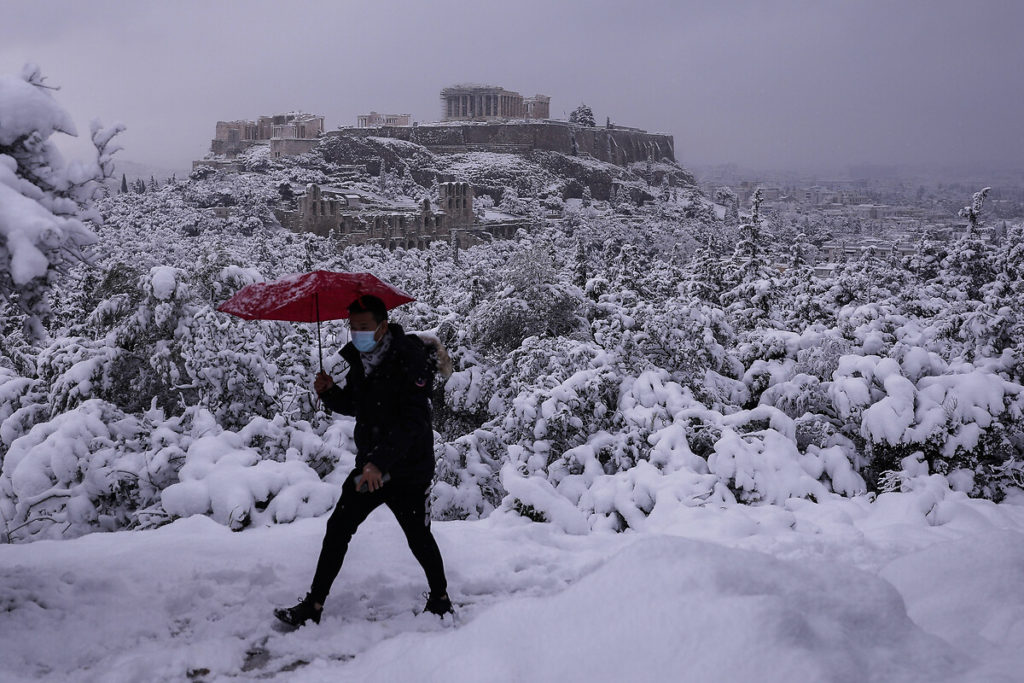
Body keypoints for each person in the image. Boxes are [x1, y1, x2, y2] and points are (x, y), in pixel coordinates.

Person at [274, 294, 452, 627]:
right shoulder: (361, 358)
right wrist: (330, 393)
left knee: (418, 535)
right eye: (353, 327)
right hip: (371, 465)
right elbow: (360, 406)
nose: (357, 333)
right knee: (338, 528)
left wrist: (380, 464)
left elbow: (413, 422)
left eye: (364, 327)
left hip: (407, 468)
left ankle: (441, 598)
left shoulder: (410, 360)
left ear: (383, 327)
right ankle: (313, 606)